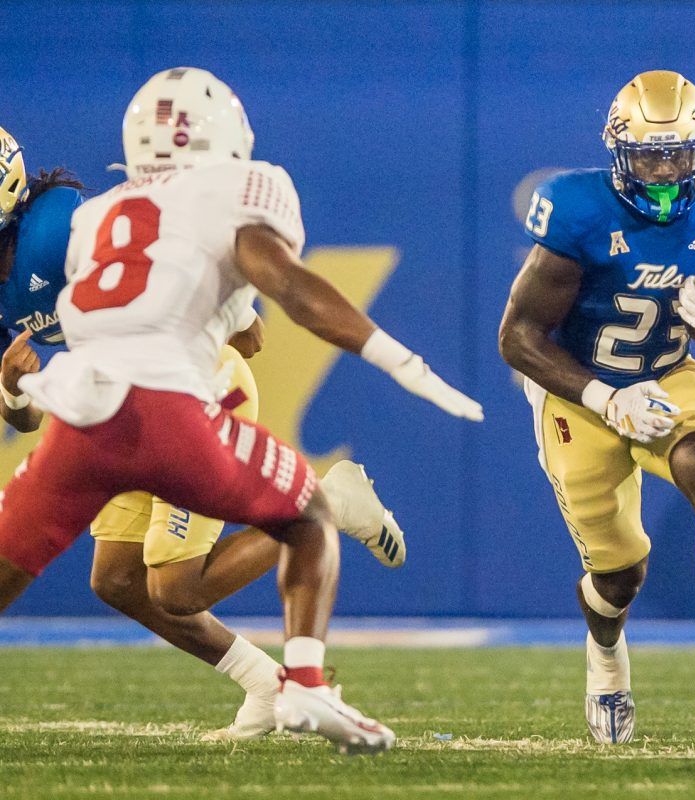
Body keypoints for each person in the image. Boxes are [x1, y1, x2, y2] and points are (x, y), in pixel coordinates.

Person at [0, 67, 480, 754]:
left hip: (188, 388)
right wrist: (15, 393)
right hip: (104, 407)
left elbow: (172, 262)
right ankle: (267, 681)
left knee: (176, 590)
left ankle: (325, 506)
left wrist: (226, 311)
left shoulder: (58, 229)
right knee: (115, 582)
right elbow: (23, 418)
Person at [499, 70, 695, 744]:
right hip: (581, 387)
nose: (661, 171)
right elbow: (516, 337)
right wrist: (604, 396)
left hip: (666, 372)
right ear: (618, 152)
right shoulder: (577, 209)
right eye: (647, 154)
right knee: (619, 575)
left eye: (677, 153)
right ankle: (605, 661)